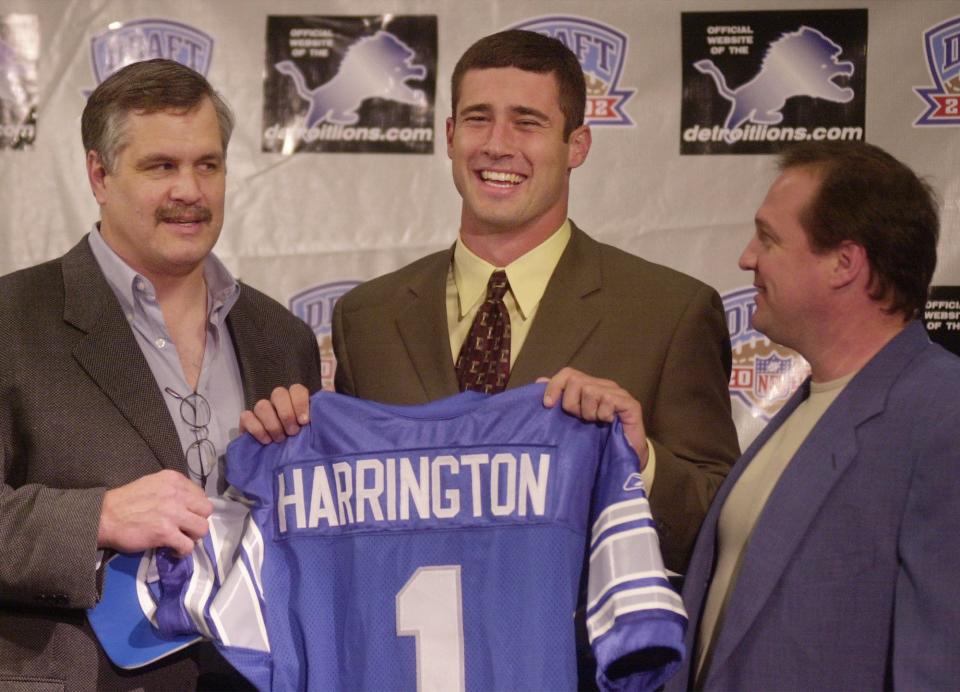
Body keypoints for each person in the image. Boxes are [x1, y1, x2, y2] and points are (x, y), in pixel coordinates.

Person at [242, 29, 740, 575]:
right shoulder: (368, 317)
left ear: (577, 145)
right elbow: (350, 523)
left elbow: (722, 526)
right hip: (403, 653)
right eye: (478, 119)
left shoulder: (670, 312)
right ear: (451, 135)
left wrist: (640, 462)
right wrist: (286, 448)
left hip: (577, 657)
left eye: (528, 122)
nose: (497, 144)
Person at [0, 59, 322, 690]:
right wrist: (95, 517)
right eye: (161, 167)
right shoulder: (12, 321)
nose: (190, 191)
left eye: (208, 164)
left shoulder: (285, 339)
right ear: (99, 173)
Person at [671, 141, 960, 690]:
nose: (746, 257)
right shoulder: (809, 405)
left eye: (770, 238)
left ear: (844, 263)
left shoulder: (944, 415)